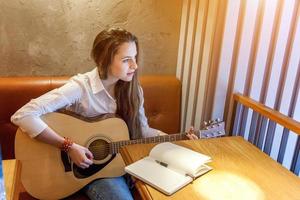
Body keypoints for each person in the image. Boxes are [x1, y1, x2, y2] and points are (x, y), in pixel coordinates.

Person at [11, 27, 197, 200]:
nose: (134, 65)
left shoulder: (134, 90)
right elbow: (23, 115)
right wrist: (68, 146)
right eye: (126, 60)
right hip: (90, 171)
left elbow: (142, 131)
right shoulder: (80, 88)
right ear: (104, 60)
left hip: (129, 163)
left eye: (135, 57)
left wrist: (177, 139)